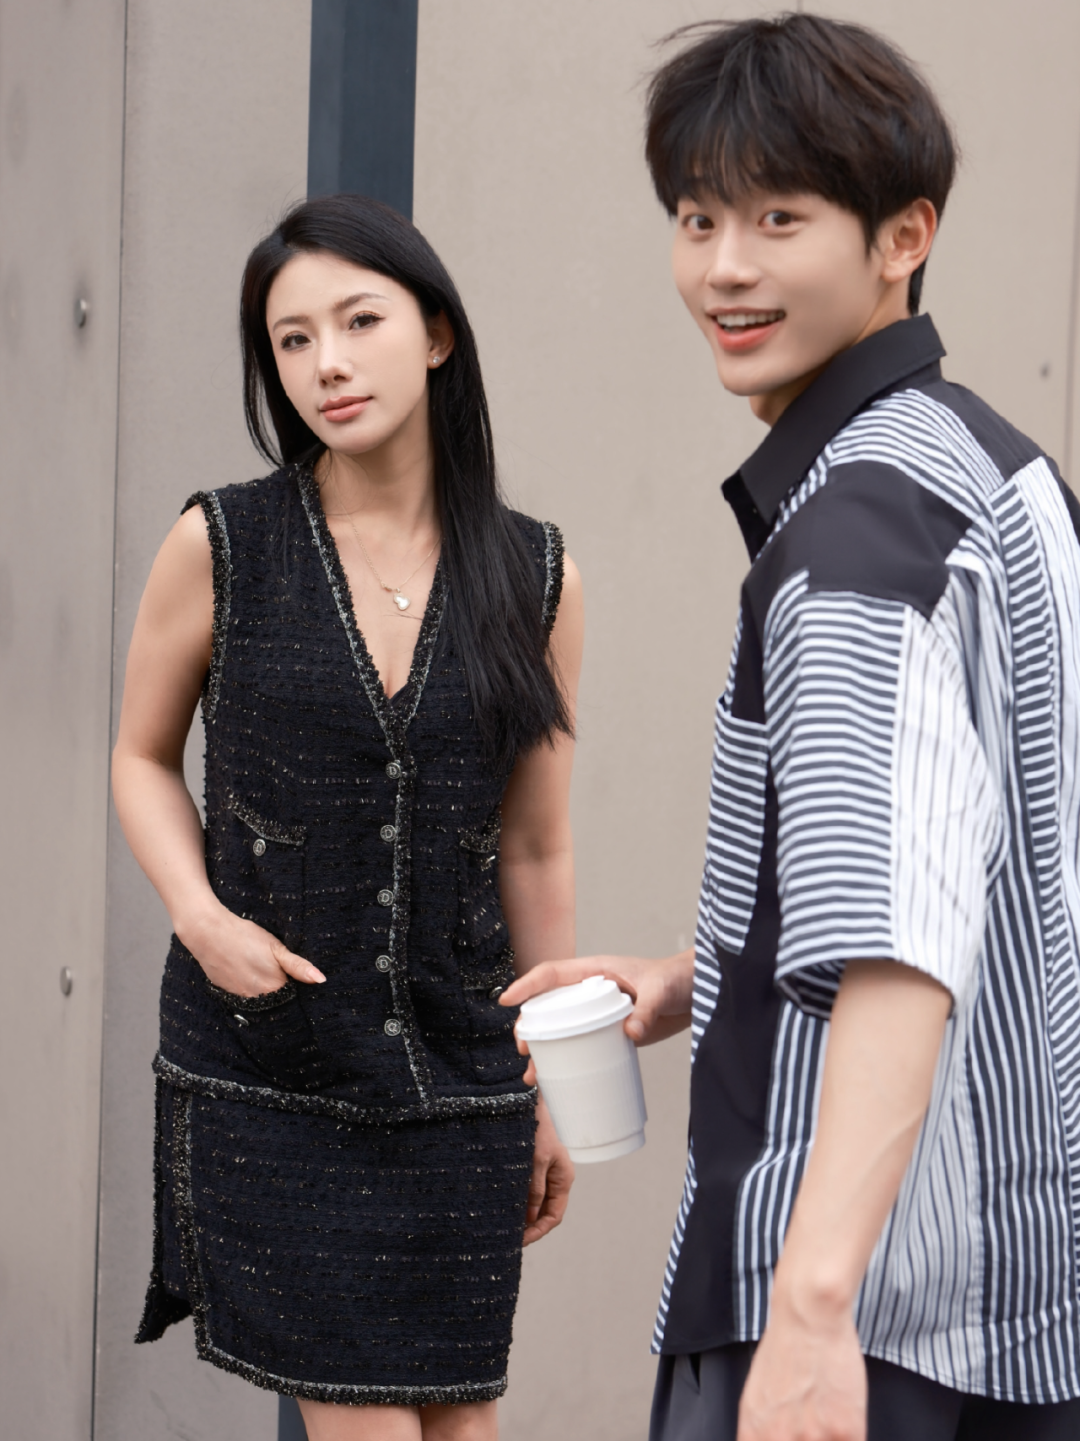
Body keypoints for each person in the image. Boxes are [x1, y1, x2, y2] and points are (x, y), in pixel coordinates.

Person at [503, 14, 1080, 1440]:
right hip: (1023, 1292)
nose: (724, 268)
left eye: (779, 218)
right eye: (698, 218)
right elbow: (981, 861)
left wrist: (814, 1308)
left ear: (903, 237)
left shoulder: (856, 544)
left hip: (861, 1307)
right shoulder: (999, 470)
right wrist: (698, 975)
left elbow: (897, 944)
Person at [112, 193, 582, 1441]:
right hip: (278, 1069)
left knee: (464, 1428)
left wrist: (557, 1086)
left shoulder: (536, 576)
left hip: (465, 1076)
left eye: (359, 321)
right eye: (292, 339)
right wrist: (199, 914)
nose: (327, 361)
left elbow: (535, 845)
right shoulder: (221, 543)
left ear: (436, 333)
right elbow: (140, 757)